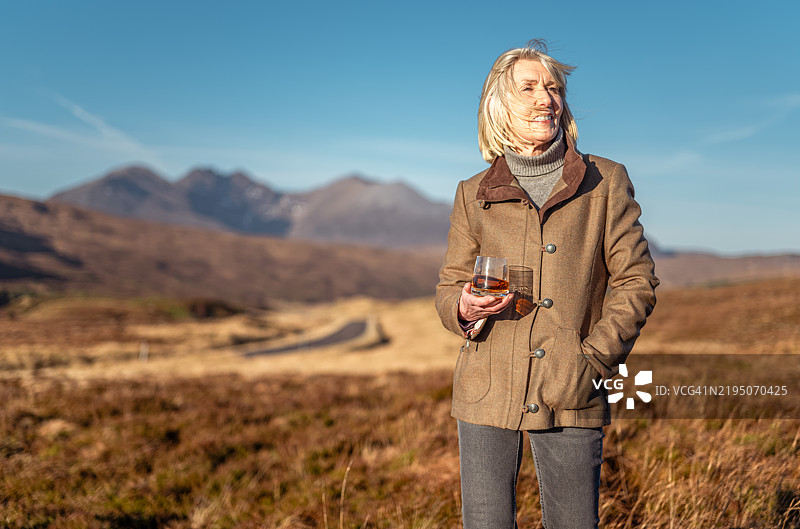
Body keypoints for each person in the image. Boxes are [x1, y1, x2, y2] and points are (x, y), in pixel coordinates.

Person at [435, 40, 659, 529]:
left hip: (573, 386)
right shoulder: (472, 193)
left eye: (554, 88)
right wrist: (465, 307)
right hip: (485, 390)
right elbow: (450, 285)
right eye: (530, 88)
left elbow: (636, 281)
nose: (546, 99)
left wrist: (593, 360)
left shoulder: (606, 181)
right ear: (500, 104)